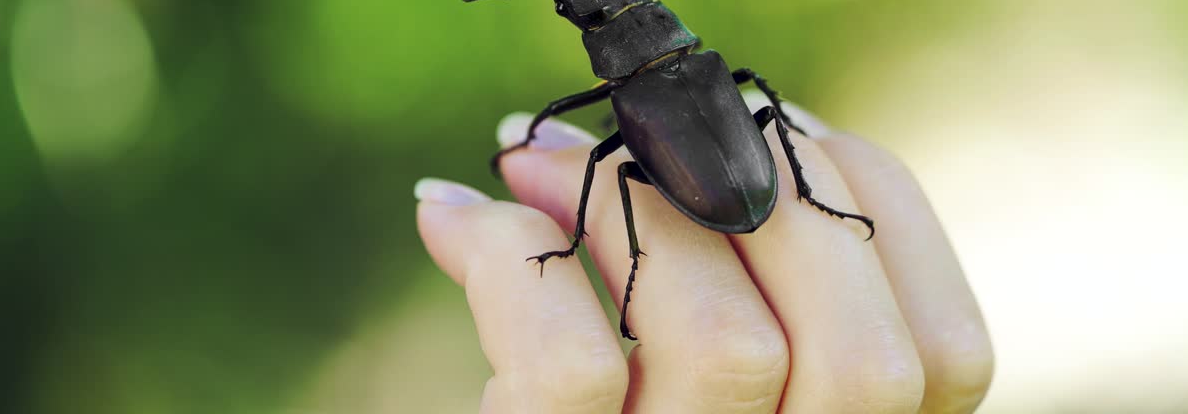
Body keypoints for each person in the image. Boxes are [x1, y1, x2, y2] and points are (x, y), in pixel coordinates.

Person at [415, 99, 994, 413]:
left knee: (607, 164)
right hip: (734, 172)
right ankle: (807, 192)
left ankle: (801, 195)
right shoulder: (704, 68)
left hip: (727, 182)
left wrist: (536, 134)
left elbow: (598, 159)